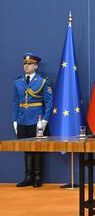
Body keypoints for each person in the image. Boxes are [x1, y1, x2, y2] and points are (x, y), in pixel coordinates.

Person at [12, 53, 53, 187]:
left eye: (29, 64)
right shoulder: (18, 82)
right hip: (22, 119)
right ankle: (28, 176)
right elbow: (15, 102)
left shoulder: (42, 81)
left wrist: (45, 120)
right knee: (26, 148)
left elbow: (48, 102)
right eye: (25, 64)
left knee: (37, 148)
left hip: (37, 119)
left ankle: (37, 177)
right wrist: (15, 120)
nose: (26, 66)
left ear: (36, 66)